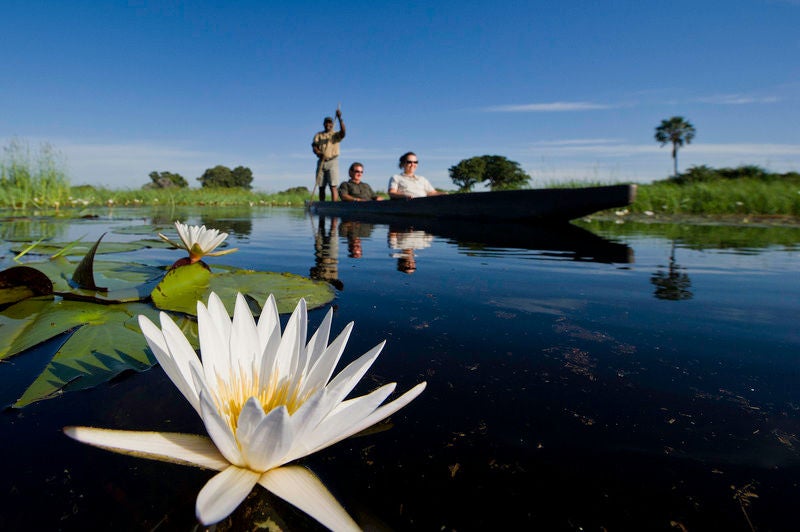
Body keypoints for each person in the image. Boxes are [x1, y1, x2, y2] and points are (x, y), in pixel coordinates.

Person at [311, 109, 346, 201]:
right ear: (324, 124)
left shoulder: (335, 135)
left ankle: (334, 206)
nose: (328, 125)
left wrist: (339, 118)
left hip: (332, 161)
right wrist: (319, 153)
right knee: (321, 186)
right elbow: (314, 146)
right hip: (321, 161)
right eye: (326, 123)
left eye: (330, 123)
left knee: (333, 186)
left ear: (332, 124)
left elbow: (343, 133)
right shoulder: (318, 135)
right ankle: (322, 205)